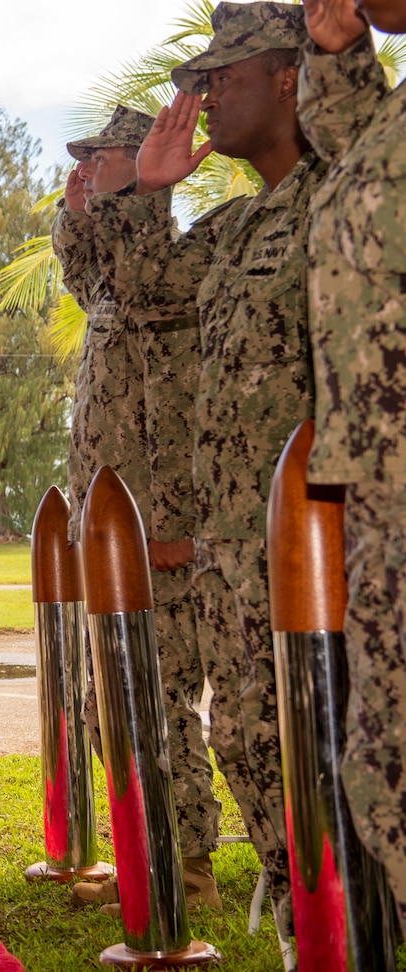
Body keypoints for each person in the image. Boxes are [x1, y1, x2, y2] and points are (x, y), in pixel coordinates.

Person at [85, 4, 318, 960]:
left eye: (228, 72)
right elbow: (142, 301)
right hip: (237, 554)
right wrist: (147, 195)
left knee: (337, 776)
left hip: (325, 556)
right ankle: (321, 937)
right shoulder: (238, 222)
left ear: (294, 77)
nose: (205, 92)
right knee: (258, 758)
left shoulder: (348, 197)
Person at [53, 105, 221, 916]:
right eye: (80, 160)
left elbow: (179, 407)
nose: (85, 168)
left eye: (101, 157)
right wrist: (76, 211)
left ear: (144, 158)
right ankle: (145, 854)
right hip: (114, 529)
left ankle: (186, 867)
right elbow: (89, 276)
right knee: (109, 700)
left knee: (164, 697)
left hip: (160, 530)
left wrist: (177, 525)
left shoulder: (168, 272)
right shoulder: (117, 284)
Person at [296, 0, 406, 908]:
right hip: (381, 492)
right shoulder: (390, 119)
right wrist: (337, 56)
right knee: (385, 766)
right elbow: (360, 160)